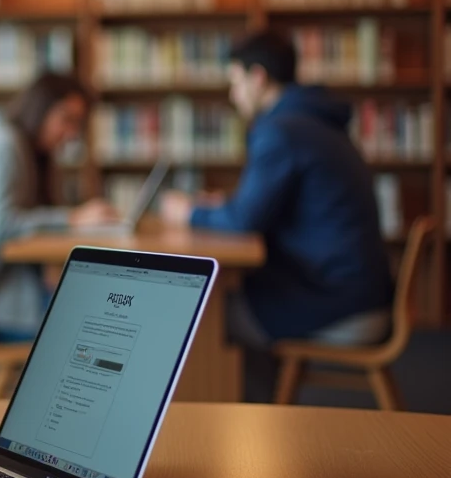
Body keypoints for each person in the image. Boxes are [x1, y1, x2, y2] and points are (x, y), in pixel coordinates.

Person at [160, 31, 393, 347]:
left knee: (200, 319)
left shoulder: (281, 131)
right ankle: (263, 393)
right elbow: (266, 206)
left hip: (335, 301)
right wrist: (225, 206)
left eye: (236, 82)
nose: (233, 95)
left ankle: (253, 396)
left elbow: (244, 221)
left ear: (257, 78)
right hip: (358, 291)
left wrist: (188, 211)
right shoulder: (314, 120)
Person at [0, 73, 119, 342]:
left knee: (103, 306)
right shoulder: (6, 148)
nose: (70, 134)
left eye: (77, 125)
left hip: (4, 294)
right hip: (2, 307)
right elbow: (3, 228)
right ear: (40, 109)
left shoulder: (15, 144)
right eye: (66, 120)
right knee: (107, 323)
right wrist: (74, 219)